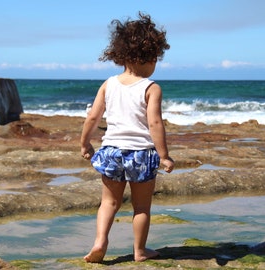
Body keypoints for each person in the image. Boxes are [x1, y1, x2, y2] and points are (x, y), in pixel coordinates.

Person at [80, 12, 174, 263]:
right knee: (141, 207)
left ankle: (100, 242)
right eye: (155, 58)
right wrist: (164, 156)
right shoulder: (151, 87)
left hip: (111, 151)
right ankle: (139, 251)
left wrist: (85, 142)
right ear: (146, 57)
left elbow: (92, 118)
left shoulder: (108, 84)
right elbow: (155, 123)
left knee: (108, 203)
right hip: (141, 154)